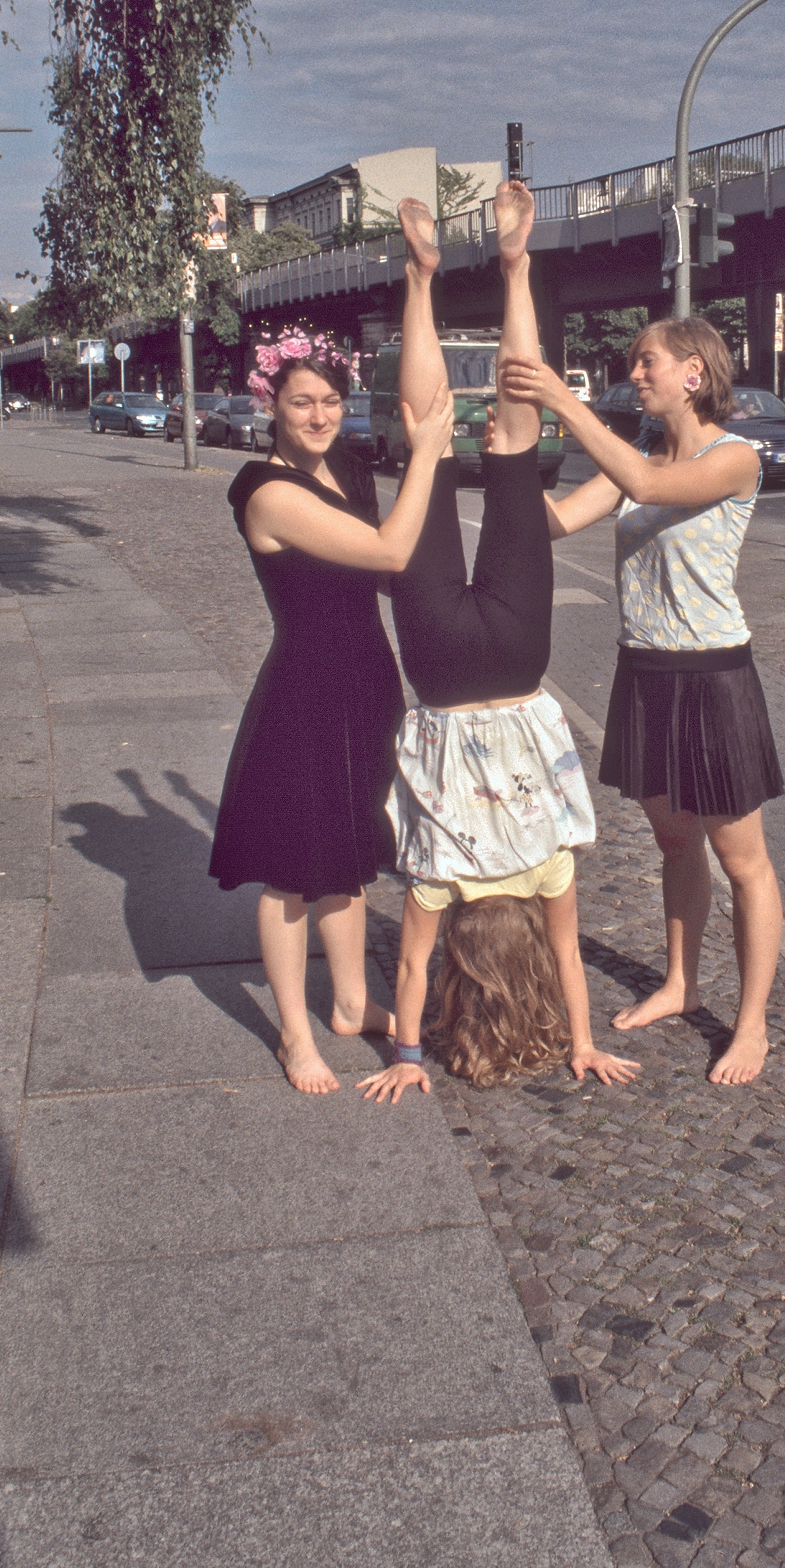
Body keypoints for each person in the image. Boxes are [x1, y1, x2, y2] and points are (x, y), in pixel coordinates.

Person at [357, 181, 639, 1104]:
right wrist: (405, 1056)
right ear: (469, 975)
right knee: (427, 447)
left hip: (515, 665)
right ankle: (423, 279)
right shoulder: (434, 883)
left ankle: (517, 270)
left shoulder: (549, 868)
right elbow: (407, 976)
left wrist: (582, 1043)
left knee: (514, 448)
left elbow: (567, 957)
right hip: (442, 673)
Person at [502, 316, 785, 1086]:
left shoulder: (734, 458)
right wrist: (494, 463)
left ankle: (752, 1024)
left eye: (647, 361)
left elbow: (651, 488)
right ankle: (680, 981)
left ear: (694, 373)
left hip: (713, 675)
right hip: (646, 671)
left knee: (741, 859)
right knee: (671, 840)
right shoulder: (641, 458)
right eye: (632, 362)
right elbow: (554, 521)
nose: (635, 373)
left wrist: (563, 397)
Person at [208, 337, 453, 1094]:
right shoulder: (265, 490)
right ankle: (292, 1033)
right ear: (270, 406)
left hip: (364, 683)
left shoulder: (344, 470)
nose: (318, 415)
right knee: (288, 869)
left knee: (347, 852)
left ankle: (350, 1003)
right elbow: (385, 552)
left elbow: (390, 574)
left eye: (330, 401)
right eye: (300, 402)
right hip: (305, 691)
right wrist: (427, 455)